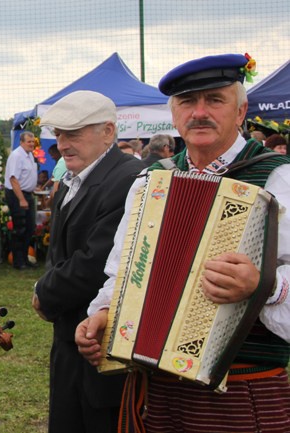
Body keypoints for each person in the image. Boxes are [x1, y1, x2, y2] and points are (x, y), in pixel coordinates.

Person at [76, 53, 290, 432]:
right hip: (156, 390)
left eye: (215, 100)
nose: (199, 112)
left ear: (240, 112)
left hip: (242, 389)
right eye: (188, 102)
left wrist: (264, 286)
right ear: (173, 114)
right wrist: (105, 314)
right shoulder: (150, 181)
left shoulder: (278, 178)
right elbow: (123, 269)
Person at [31, 90, 144, 433]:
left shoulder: (128, 177)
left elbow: (97, 260)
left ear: (108, 131)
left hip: (103, 340)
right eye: (60, 134)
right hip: (70, 334)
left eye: (73, 134)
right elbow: (61, 252)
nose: (62, 144)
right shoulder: (74, 177)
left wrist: (44, 291)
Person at [4, 131, 38, 270]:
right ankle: (18, 261)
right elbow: (13, 179)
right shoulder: (17, 155)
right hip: (18, 195)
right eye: (29, 141)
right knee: (20, 229)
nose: (31, 144)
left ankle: (25, 258)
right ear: (21, 142)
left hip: (27, 194)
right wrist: (22, 199)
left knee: (29, 228)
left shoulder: (29, 155)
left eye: (32, 141)